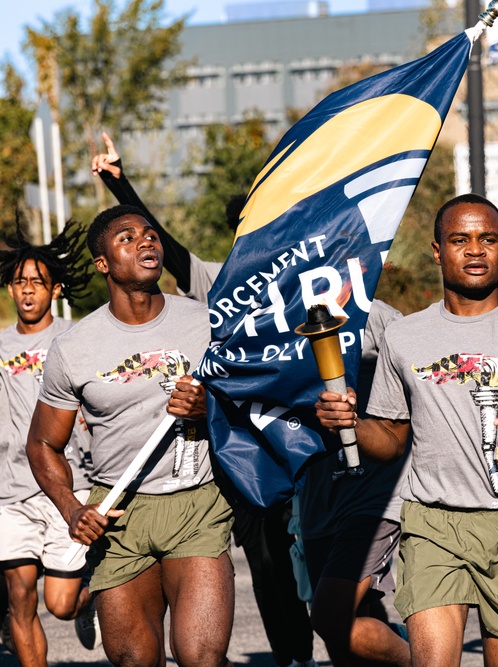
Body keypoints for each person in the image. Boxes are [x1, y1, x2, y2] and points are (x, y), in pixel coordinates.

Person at [315, 194, 498, 667]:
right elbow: (390, 442)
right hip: (432, 521)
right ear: (436, 250)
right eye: (460, 239)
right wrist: (353, 423)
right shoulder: (405, 336)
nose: (475, 250)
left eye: (487, 239)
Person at [92, 135, 317, 667]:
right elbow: (160, 248)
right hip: (242, 449)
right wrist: (118, 185)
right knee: (267, 559)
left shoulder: (311, 281)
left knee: (323, 558)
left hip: (304, 441)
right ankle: (295, 655)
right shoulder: (221, 282)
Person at [26, 205, 235, 667]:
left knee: (201, 656)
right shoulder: (74, 347)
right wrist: (72, 509)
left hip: (196, 503)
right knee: (135, 660)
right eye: (127, 237)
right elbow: (42, 444)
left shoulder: (206, 323)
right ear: (103, 263)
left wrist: (211, 410)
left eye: (151, 235)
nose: (146, 242)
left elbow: (253, 403)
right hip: (116, 513)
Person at [0, 222, 97, 666]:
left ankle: (87, 600)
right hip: (10, 493)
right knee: (20, 598)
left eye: (37, 282)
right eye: (19, 282)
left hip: (65, 488)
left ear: (55, 290)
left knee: (59, 603)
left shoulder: (75, 339)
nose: (27, 291)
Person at [302, 299, 412, 667]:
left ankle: (428, 657)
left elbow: (414, 381)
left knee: (330, 615)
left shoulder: (376, 314)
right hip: (319, 492)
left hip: (374, 494)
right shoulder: (275, 316)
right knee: (341, 641)